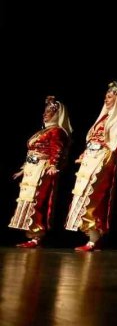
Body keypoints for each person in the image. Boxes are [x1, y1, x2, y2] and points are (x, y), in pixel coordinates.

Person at [65, 82, 117, 251]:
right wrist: (83, 155)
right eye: (106, 97)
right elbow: (93, 139)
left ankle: (95, 237)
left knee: (94, 196)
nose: (107, 99)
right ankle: (91, 236)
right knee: (82, 194)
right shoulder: (103, 118)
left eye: (111, 97)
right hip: (90, 159)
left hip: (104, 159)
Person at [9, 96, 73, 247]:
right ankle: (31, 234)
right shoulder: (43, 131)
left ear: (57, 114)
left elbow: (56, 149)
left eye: (49, 112)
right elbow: (32, 152)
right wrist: (23, 169)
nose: (45, 114)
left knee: (37, 200)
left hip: (43, 168)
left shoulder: (57, 131)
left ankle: (37, 235)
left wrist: (52, 165)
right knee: (27, 199)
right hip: (32, 169)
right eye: (45, 112)